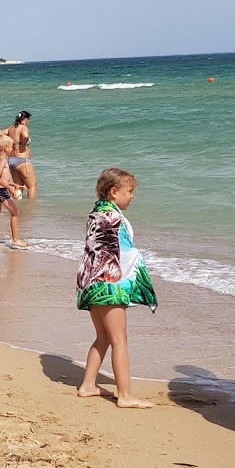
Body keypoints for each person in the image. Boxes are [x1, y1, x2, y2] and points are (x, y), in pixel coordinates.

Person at [74, 168, 156, 409]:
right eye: (130, 191)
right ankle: (125, 395)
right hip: (109, 283)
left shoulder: (95, 212)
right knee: (119, 340)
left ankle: (88, 385)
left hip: (89, 281)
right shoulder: (114, 217)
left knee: (103, 337)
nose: (132, 196)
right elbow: (124, 253)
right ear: (114, 192)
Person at [5, 110, 37, 200]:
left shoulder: (11, 128)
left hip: (11, 159)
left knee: (18, 186)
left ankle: (17, 206)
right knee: (32, 186)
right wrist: (22, 145)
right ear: (26, 119)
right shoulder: (23, 127)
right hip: (23, 161)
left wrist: (10, 144)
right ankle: (30, 209)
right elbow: (26, 136)